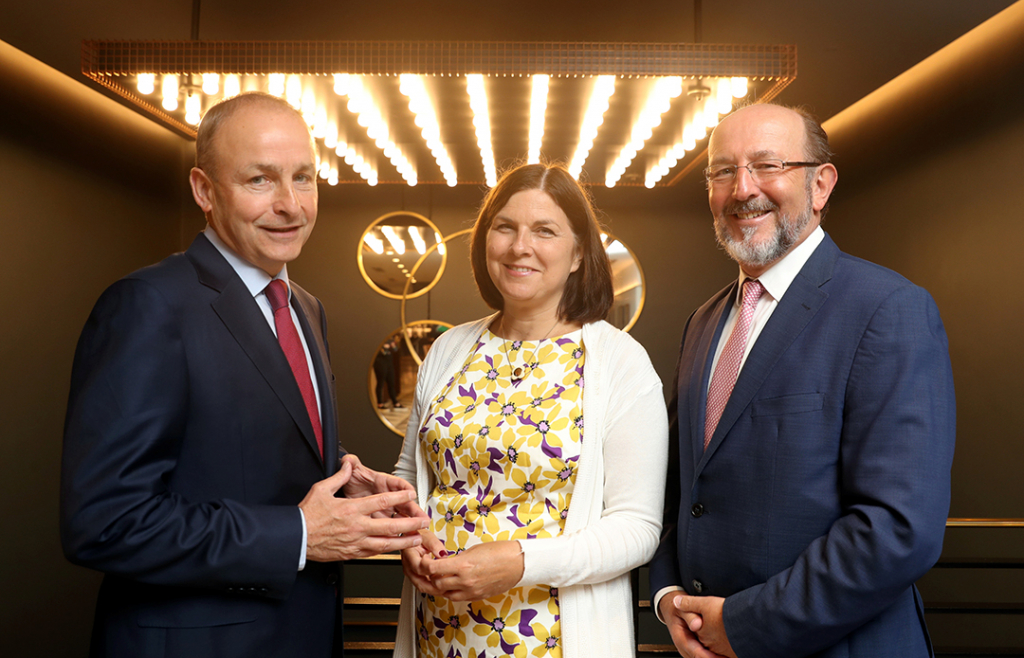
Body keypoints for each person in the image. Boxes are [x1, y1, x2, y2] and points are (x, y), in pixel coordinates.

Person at [60, 92, 429, 658]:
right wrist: (301, 535)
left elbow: (244, 445)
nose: (290, 205)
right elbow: (105, 521)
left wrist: (342, 477)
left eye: (303, 178)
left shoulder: (305, 306)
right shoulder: (148, 305)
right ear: (204, 191)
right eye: (260, 180)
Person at [649, 103, 956, 658]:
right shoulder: (702, 323)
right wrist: (669, 595)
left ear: (821, 184)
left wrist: (741, 626)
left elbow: (898, 529)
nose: (743, 189)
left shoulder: (888, 310)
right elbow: (683, 488)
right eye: (723, 170)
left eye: (768, 166)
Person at [393, 163, 669, 658]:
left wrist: (520, 561)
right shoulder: (450, 348)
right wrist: (406, 533)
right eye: (505, 227)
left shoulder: (620, 362)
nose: (520, 246)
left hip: (555, 642)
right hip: (438, 636)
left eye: (545, 230)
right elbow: (412, 478)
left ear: (579, 252)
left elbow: (637, 529)